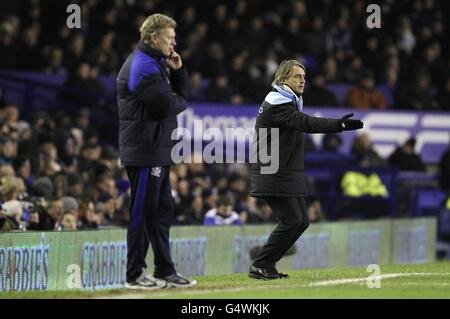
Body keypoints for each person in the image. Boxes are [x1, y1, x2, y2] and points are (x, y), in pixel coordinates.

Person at [249, 59, 364, 280]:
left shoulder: (287, 100)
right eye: (297, 77)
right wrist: (338, 125)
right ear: (283, 79)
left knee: (301, 221)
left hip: (284, 171)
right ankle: (261, 264)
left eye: (304, 77)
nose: (302, 81)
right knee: (293, 220)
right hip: (273, 173)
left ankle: (266, 265)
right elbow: (307, 123)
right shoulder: (277, 103)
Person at [117, 13, 196, 289]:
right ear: (154, 37)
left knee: (161, 212)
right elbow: (167, 105)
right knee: (143, 213)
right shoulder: (142, 66)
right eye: (170, 37)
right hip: (145, 151)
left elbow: (169, 101)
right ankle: (134, 273)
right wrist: (182, 93)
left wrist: (178, 71)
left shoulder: (155, 63)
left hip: (158, 150)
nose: (174, 42)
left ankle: (164, 269)